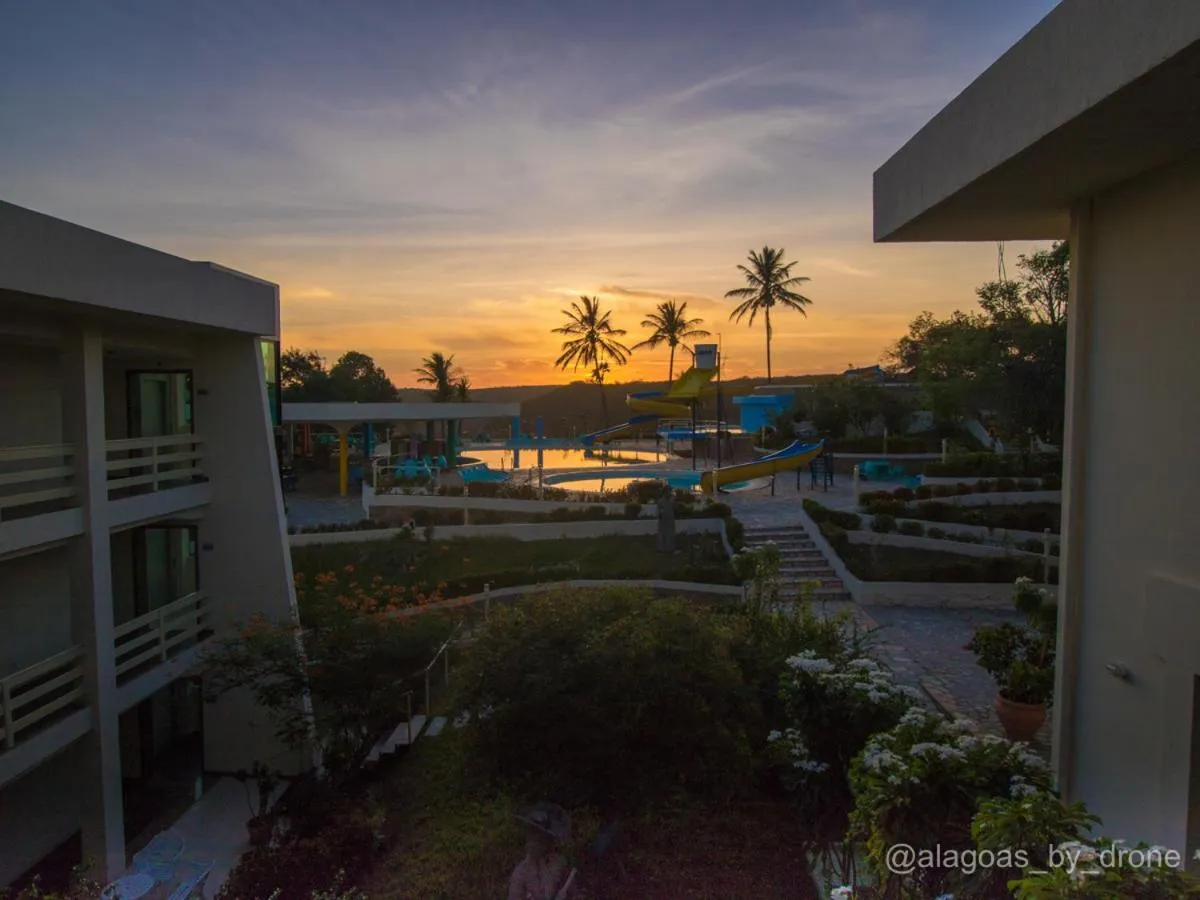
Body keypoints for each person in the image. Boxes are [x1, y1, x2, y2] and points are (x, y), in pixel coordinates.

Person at [508, 803, 575, 900]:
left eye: (539, 837)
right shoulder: (521, 872)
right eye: (531, 835)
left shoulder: (561, 865)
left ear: (548, 840)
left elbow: (574, 893)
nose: (533, 841)